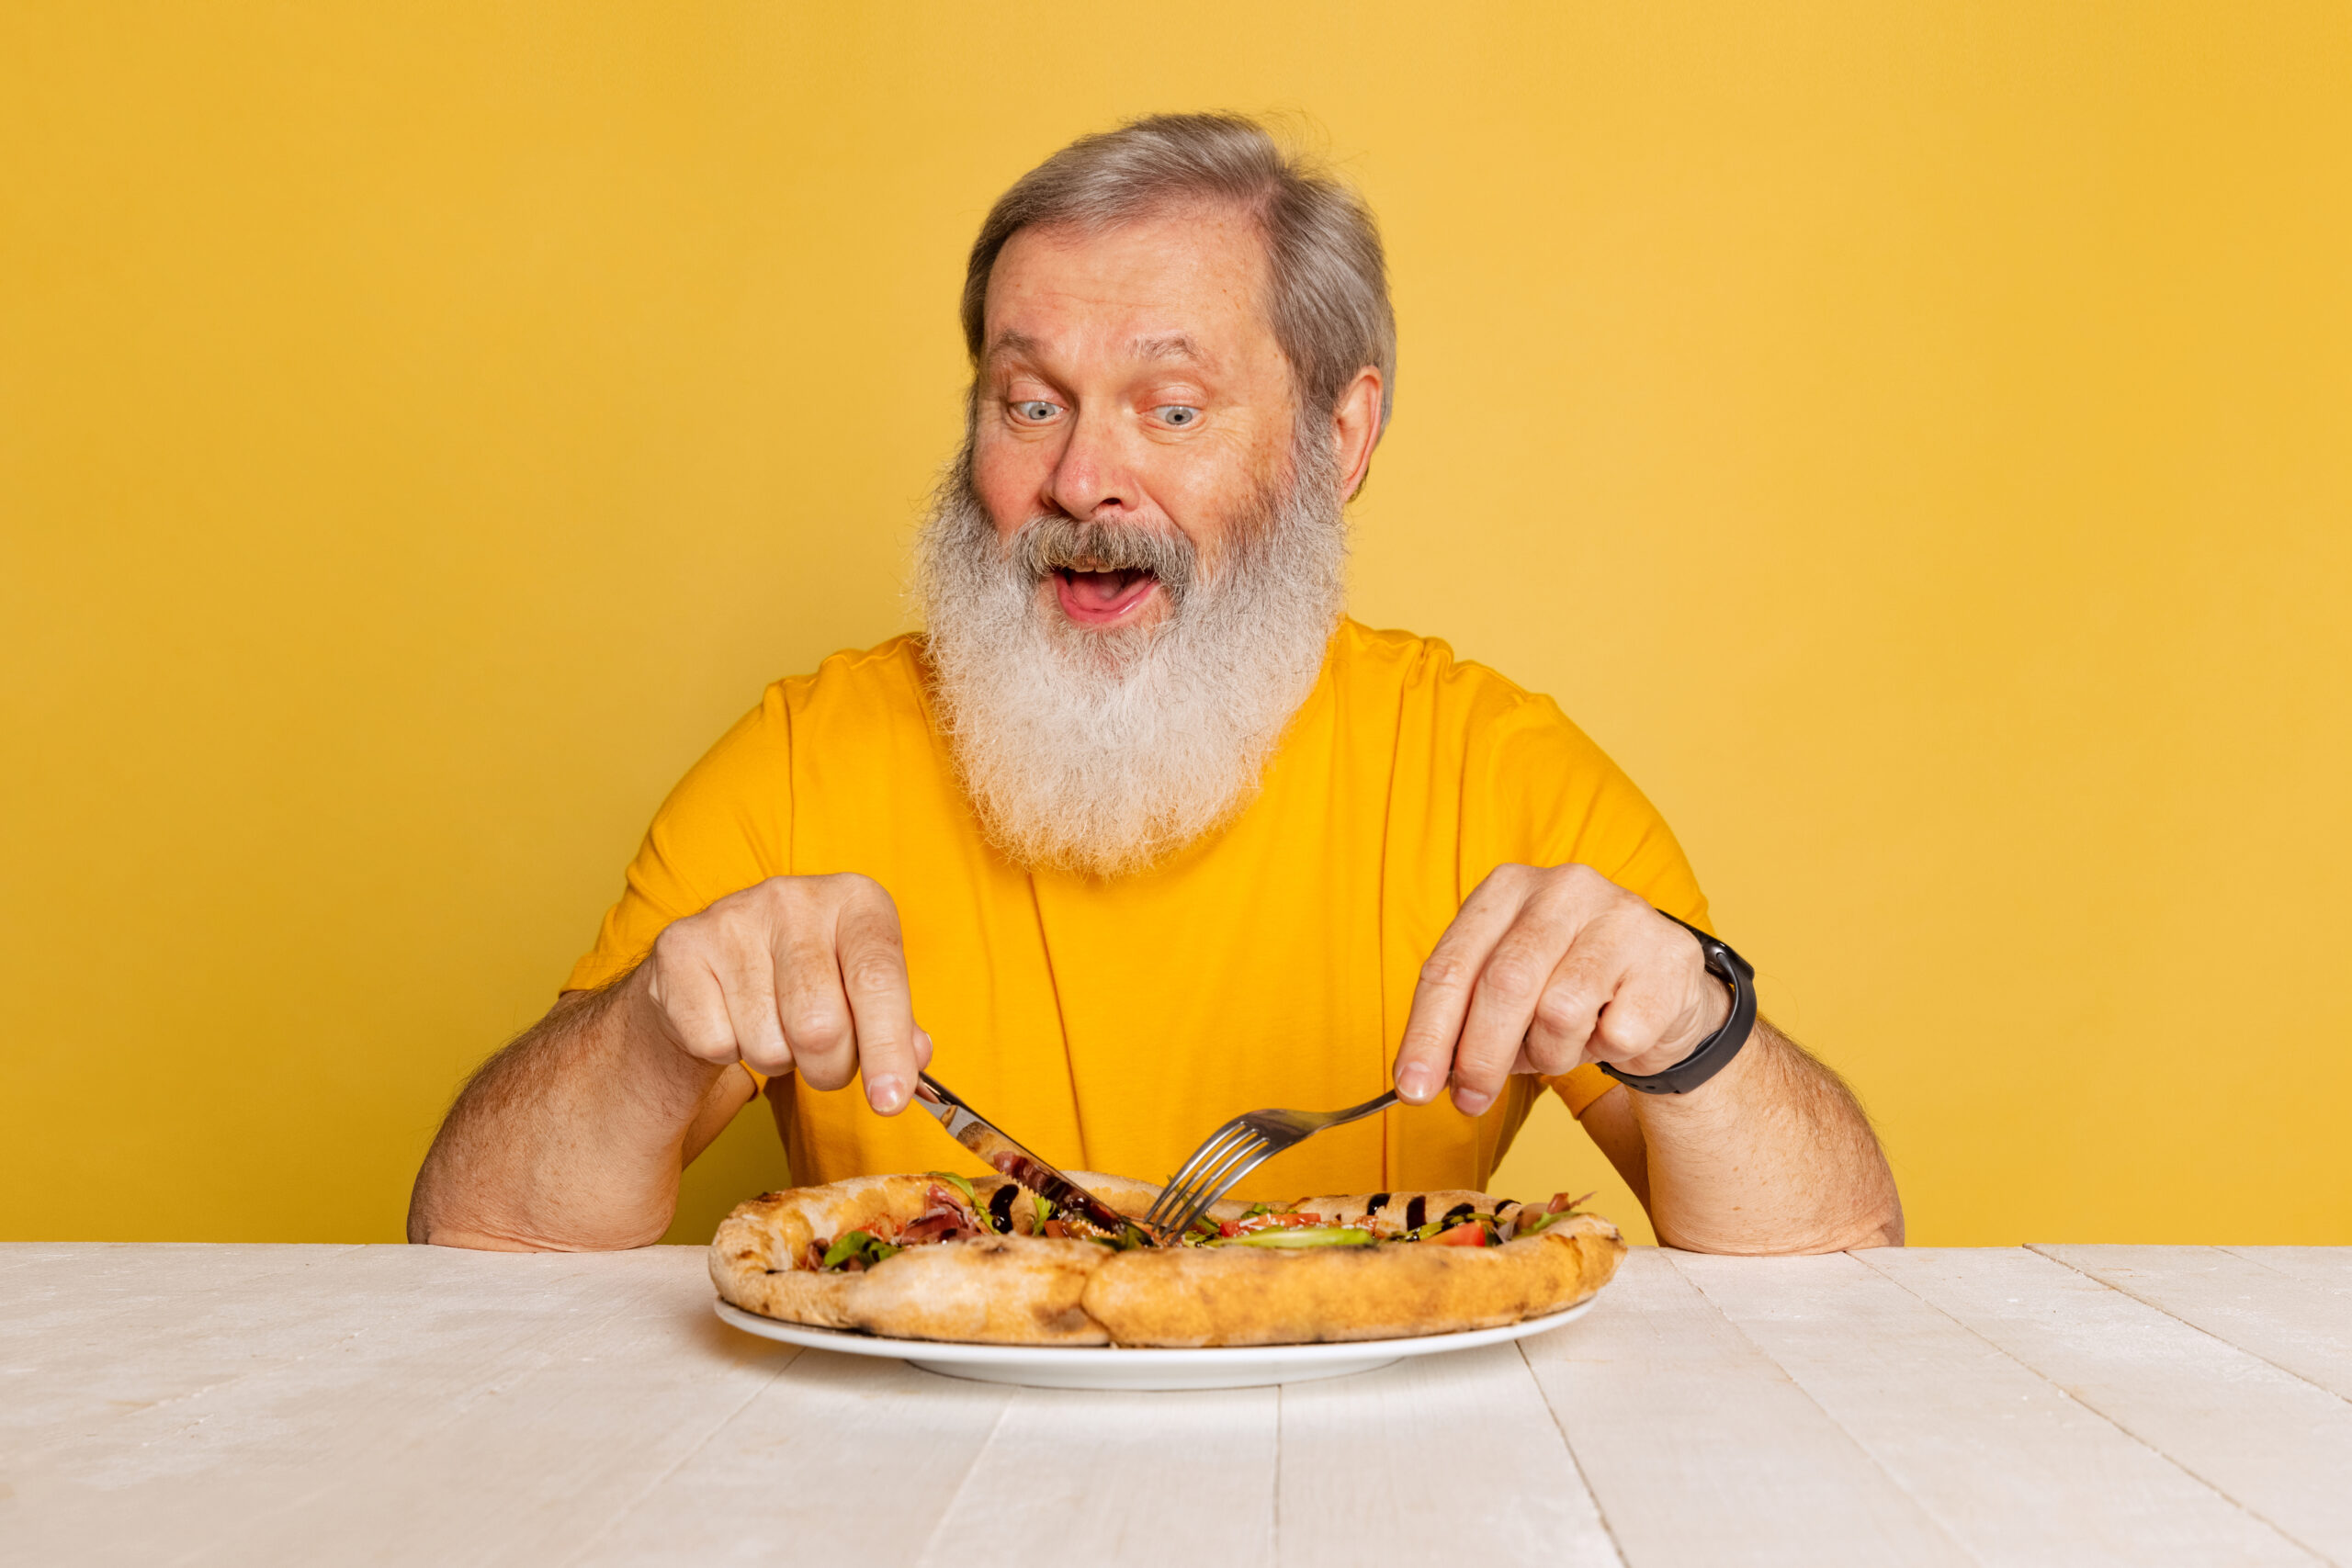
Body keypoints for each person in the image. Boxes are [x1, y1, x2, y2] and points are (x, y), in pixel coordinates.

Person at [409, 114, 1902, 1256]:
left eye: (1171, 406)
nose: (1082, 477)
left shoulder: (1488, 767)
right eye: (1029, 400)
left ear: (1339, 436)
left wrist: (1691, 1021)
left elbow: (1840, 1253)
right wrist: (651, 1031)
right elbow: (476, 1240)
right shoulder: (812, 756)